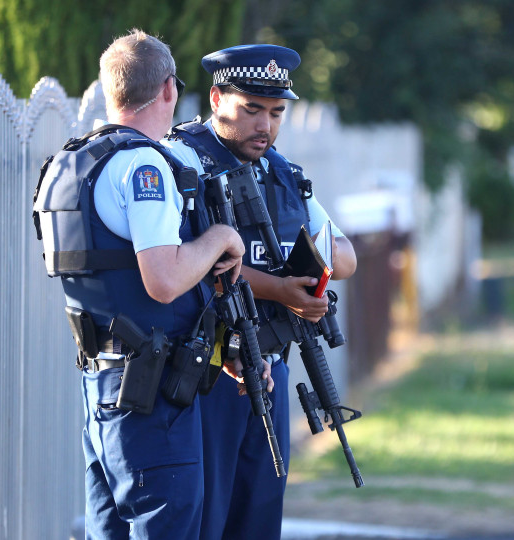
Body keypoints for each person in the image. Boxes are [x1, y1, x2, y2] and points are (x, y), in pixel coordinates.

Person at [32, 30, 246, 538]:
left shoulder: (72, 162)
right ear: (169, 90)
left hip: (102, 388)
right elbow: (164, 280)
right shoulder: (143, 165)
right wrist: (219, 237)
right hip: (152, 402)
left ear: (110, 90)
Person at [163, 44, 357, 540]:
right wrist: (280, 287)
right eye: (250, 109)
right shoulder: (181, 161)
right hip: (205, 372)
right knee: (208, 515)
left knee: (260, 513)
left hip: (268, 361)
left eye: (275, 113)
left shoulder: (281, 172)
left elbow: (345, 254)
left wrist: (311, 283)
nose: (264, 126)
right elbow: (182, 261)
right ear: (216, 98)